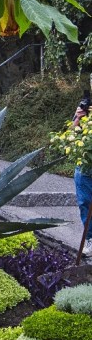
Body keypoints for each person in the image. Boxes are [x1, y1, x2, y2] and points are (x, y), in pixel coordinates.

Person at [73, 92, 92, 256]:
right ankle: (90, 239)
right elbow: (71, 135)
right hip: (85, 163)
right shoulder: (85, 105)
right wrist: (79, 118)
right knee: (84, 201)